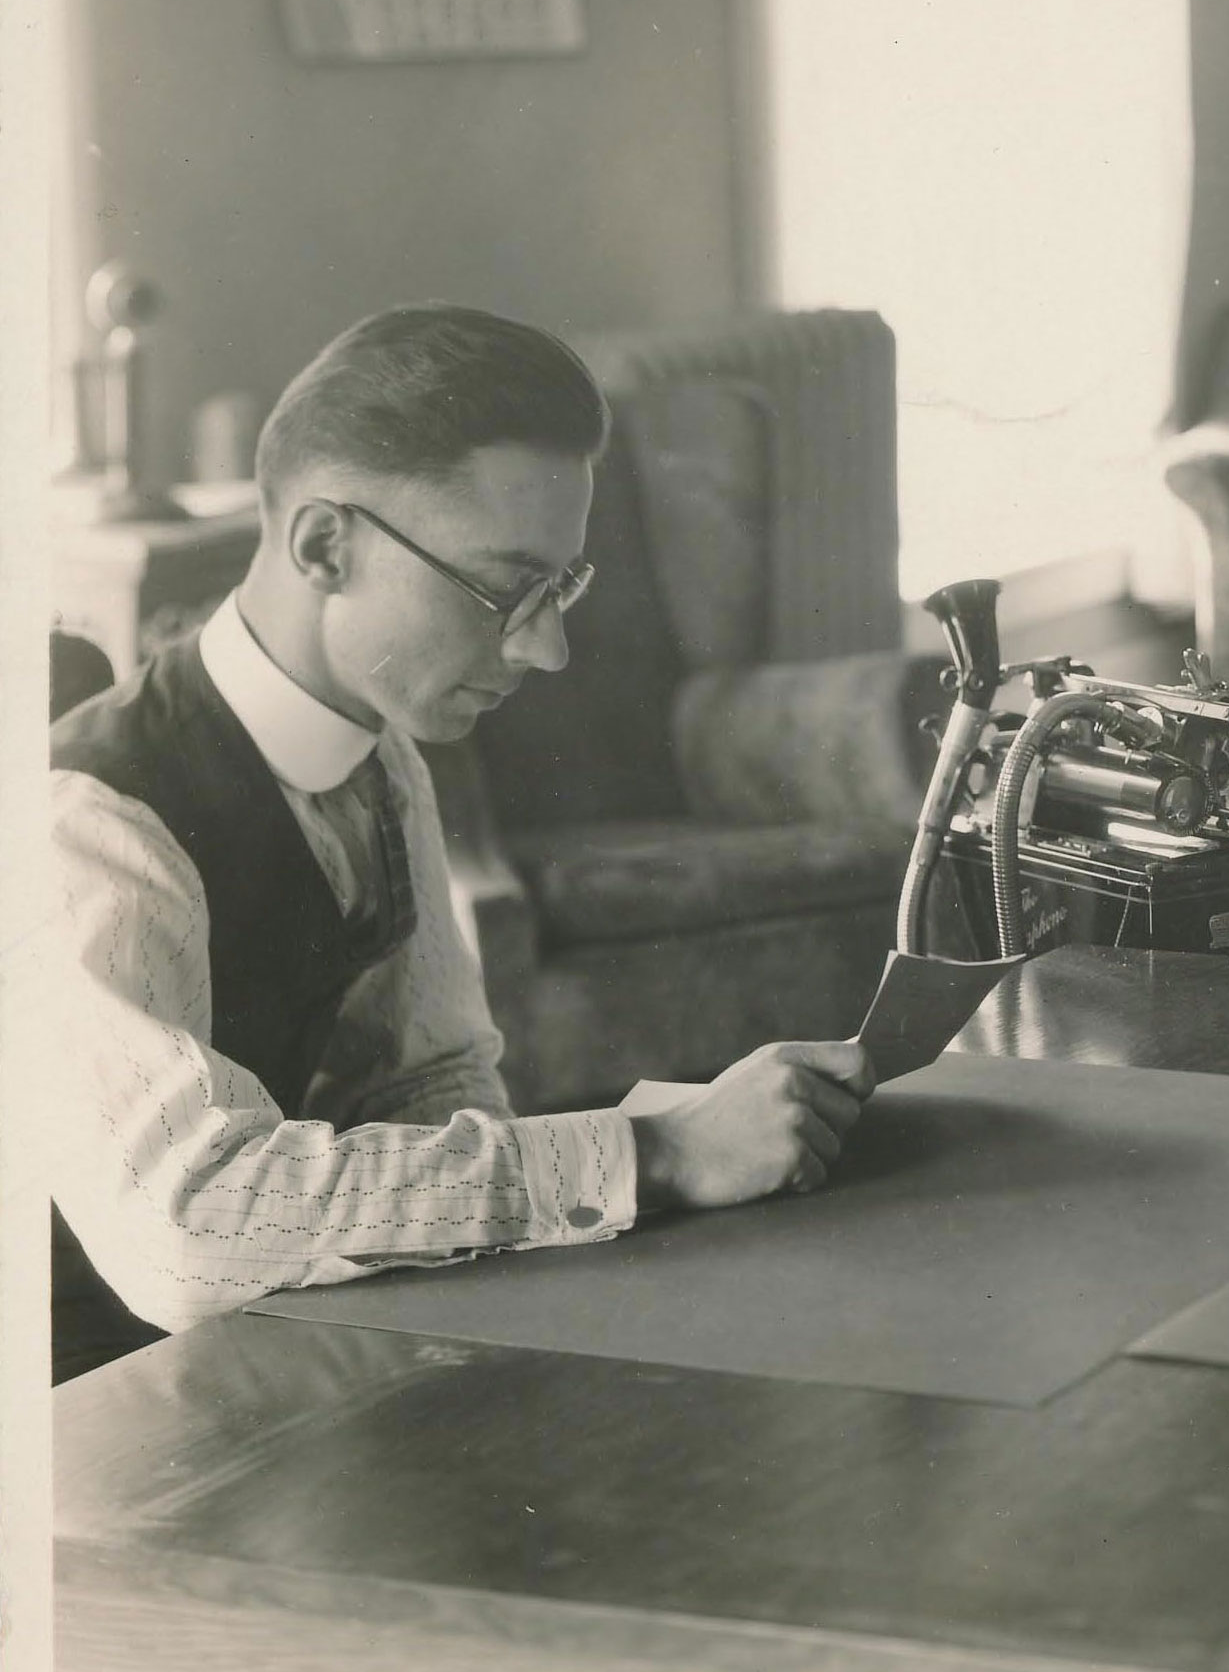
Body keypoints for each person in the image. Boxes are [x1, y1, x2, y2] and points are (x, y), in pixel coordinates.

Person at [49, 305, 875, 1382]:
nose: (548, 647)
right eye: (505, 587)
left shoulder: (383, 756)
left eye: (561, 585)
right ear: (324, 546)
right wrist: (657, 1153)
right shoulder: (87, 823)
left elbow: (432, 1082)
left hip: (256, 1349)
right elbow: (185, 1222)